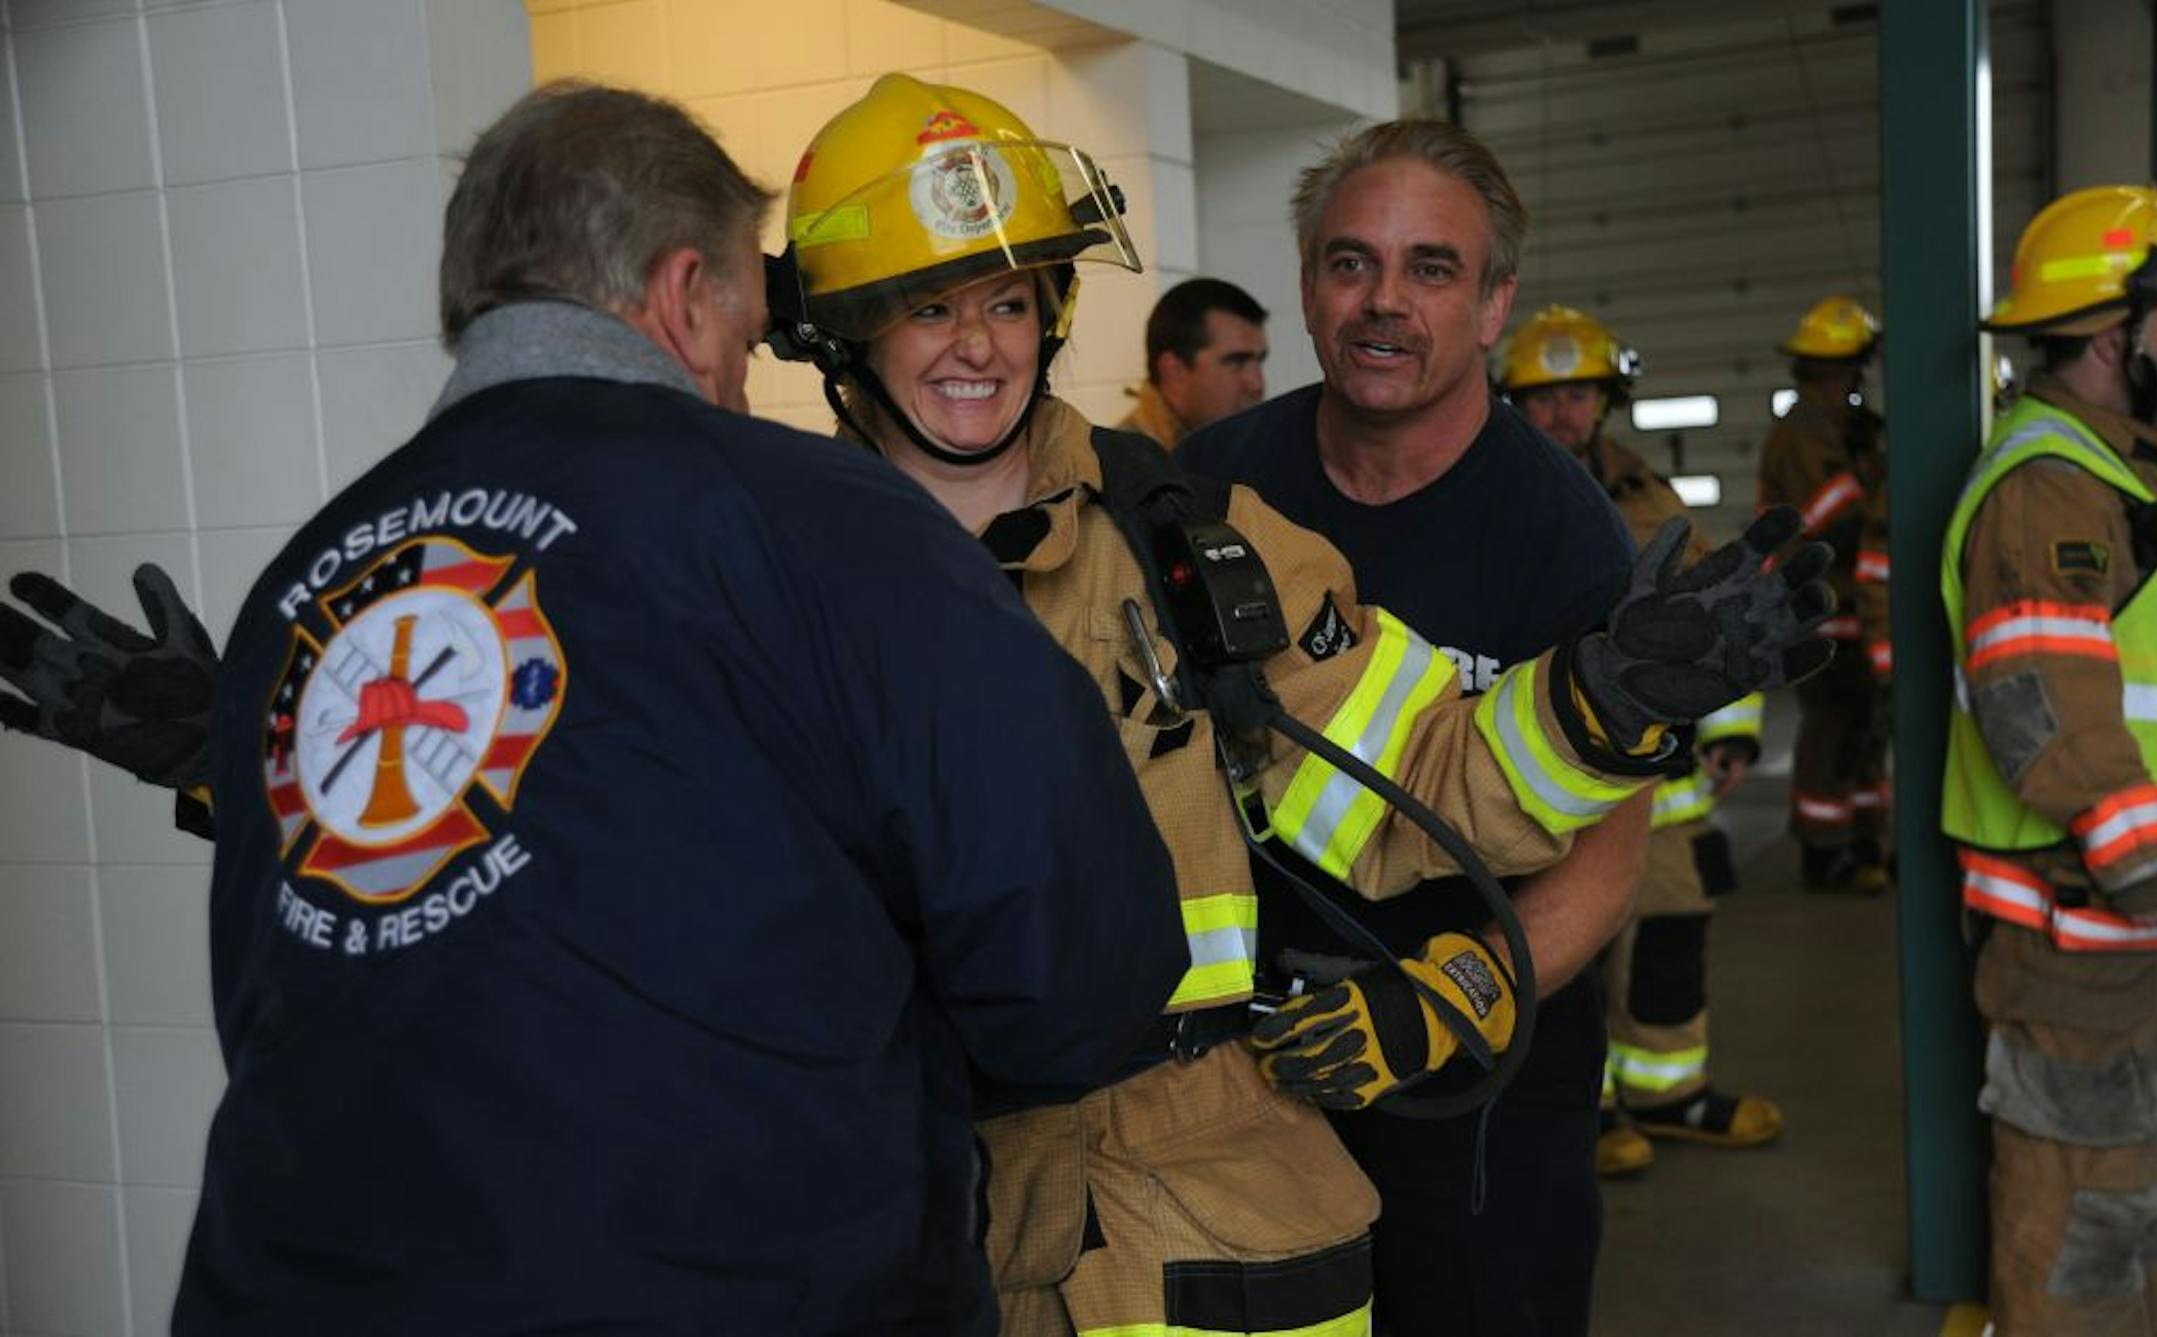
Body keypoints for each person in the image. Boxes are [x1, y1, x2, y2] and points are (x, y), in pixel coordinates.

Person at [0, 82, 1192, 1335]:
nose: (742, 364)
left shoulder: (310, 580)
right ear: (685, 294)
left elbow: (319, 973)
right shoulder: (831, 528)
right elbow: (1086, 978)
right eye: (743, 310)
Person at [777, 76, 1831, 1337]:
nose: (979, 345)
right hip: (915, 1180)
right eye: (926, 306)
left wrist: (1603, 703)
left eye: (1009, 298)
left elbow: (1422, 777)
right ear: (844, 331)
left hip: (1216, 1200)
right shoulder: (776, 582)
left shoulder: (1189, 536)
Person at [1178, 121, 1689, 1337]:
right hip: (1245, 1068)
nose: (1384, 304)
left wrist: (1442, 1001)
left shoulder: (1560, 532)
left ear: (1494, 299)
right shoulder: (1210, 482)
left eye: (1432, 269)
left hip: (1483, 1088)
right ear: (1309, 284)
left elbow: (1609, 851)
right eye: (1351, 263)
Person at [1944, 183, 2157, 1335]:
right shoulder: (2050, 486)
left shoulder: (2126, 469)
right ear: (2119, 334)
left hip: (2128, 929)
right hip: (2081, 934)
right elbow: (2042, 712)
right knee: (2083, 1215)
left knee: (2136, 1193)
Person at [1499, 304, 1782, 1178]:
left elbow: (1711, 609)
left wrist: (1733, 729)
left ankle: (1668, 1091)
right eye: (1543, 395)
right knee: (1561, 946)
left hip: (1660, 774)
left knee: (1668, 930)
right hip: (1545, 769)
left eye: (1577, 391)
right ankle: (1585, 1107)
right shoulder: (1498, 486)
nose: (1561, 412)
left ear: (1606, 397)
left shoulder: (1643, 490)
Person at [1757, 295, 1893, 893]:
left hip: (1852, 606)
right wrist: (1876, 475)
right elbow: (1832, 515)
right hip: (1816, 605)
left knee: (1864, 732)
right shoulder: (1802, 433)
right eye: (1850, 371)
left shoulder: (1842, 429)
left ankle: (1862, 839)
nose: (1854, 383)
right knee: (1831, 731)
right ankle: (1823, 850)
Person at [1117, 276, 1270, 447]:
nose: (1257, 384)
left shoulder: (1233, 449)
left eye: (1260, 361)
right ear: (1175, 371)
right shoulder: (1120, 466)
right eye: (1236, 362)